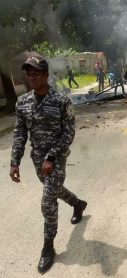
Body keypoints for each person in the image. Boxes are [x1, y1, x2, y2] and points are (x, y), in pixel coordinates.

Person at [10, 56, 87, 273]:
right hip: (37, 159)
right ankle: (78, 204)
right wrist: (14, 161)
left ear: (45, 75)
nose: (31, 76)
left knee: (47, 201)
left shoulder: (61, 101)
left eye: (36, 73)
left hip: (56, 158)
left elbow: (68, 132)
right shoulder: (22, 102)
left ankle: (48, 247)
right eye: (28, 73)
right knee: (53, 191)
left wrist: (51, 157)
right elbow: (19, 133)